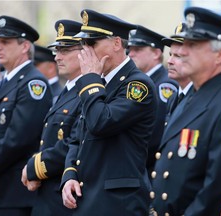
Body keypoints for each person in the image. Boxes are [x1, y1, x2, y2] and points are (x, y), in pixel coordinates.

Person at [150, 7, 221, 215]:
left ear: (220, 55)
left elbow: (218, 189)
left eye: (192, 45)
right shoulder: (190, 97)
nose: (183, 51)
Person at [61, 9, 158, 216]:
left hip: (118, 202)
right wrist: (69, 174)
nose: (85, 51)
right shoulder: (97, 82)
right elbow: (77, 137)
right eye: (83, 44)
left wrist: (89, 80)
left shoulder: (137, 85)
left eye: (92, 43)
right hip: (88, 197)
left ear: (116, 43)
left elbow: (100, 122)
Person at [0, 15, 52, 216]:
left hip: (14, 192)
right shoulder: (2, 84)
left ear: (24, 47)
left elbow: (18, 138)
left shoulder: (33, 84)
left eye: (5, 42)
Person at [21, 19, 83, 216]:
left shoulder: (89, 92)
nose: (57, 57)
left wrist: (34, 168)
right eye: (56, 51)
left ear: (84, 52)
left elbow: (73, 142)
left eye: (65, 51)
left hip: (65, 198)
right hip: (47, 194)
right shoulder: (68, 89)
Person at [128, 25, 178, 170]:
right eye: (129, 49)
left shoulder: (164, 85)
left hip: (149, 167)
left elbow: (156, 132)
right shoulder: (141, 82)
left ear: (156, 53)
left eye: (137, 50)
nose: (131, 54)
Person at [162, 22, 193, 117]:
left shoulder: (200, 98)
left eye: (178, 56)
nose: (169, 61)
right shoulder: (173, 98)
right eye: (170, 54)